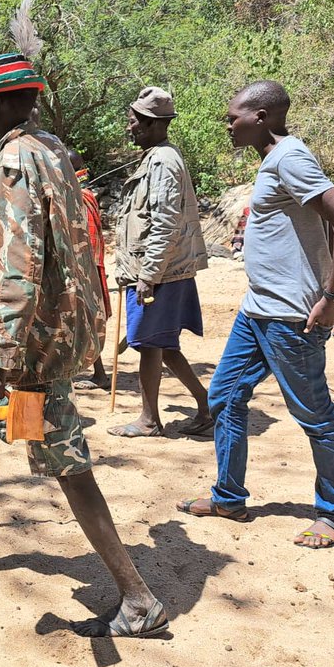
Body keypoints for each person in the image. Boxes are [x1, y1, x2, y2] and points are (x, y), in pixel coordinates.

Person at [0, 53, 168, 638]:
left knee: (66, 460)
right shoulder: (51, 148)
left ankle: (137, 598)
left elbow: (15, 262)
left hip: (30, 343)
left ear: (1, 104)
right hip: (44, 331)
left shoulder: (17, 160)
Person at [176, 80, 334, 549]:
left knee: (315, 415)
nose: (227, 124)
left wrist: (332, 295)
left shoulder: (289, 158)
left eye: (232, 115)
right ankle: (228, 496)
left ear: (261, 116)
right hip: (257, 308)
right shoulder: (274, 160)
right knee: (224, 397)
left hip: (289, 318)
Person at [109, 87, 211, 438]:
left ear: (152, 124)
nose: (129, 128)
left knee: (151, 344)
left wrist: (148, 275)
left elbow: (165, 222)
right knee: (162, 345)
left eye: (134, 122)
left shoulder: (164, 162)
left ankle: (149, 420)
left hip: (160, 272)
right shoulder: (156, 157)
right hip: (162, 270)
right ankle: (207, 405)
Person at [69, 150, 114, 391]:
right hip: (84, 267)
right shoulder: (78, 192)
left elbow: (86, 238)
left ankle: (99, 374)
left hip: (86, 268)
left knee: (87, 319)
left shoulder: (82, 196)